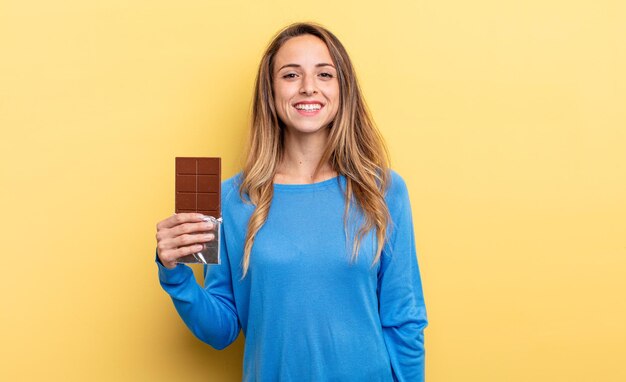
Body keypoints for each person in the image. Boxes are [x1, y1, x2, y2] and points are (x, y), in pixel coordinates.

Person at [155, 22, 428, 381]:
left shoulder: (384, 191)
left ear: (343, 89)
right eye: (290, 75)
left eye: (325, 74)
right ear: (270, 91)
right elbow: (221, 330)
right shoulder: (225, 199)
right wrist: (174, 274)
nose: (308, 87)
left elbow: (404, 319)